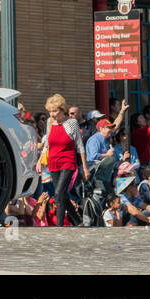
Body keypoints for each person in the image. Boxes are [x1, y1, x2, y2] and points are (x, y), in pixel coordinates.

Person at [42, 94, 86, 227]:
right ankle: (78, 221)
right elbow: (46, 144)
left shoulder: (71, 123)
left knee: (58, 193)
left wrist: (84, 167)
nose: (52, 114)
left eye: (55, 111)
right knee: (62, 194)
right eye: (50, 111)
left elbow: (79, 145)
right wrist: (39, 160)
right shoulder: (50, 123)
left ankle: (59, 226)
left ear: (62, 110)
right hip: (53, 162)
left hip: (68, 161)